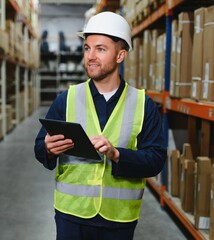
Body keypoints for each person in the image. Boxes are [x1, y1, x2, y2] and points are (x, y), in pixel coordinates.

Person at [34, 11, 166, 240]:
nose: (90, 56)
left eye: (100, 49)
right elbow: (39, 146)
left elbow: (155, 160)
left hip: (118, 219)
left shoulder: (143, 105)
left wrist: (116, 154)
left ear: (120, 55)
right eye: (87, 48)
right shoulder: (67, 99)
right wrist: (47, 148)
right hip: (71, 215)